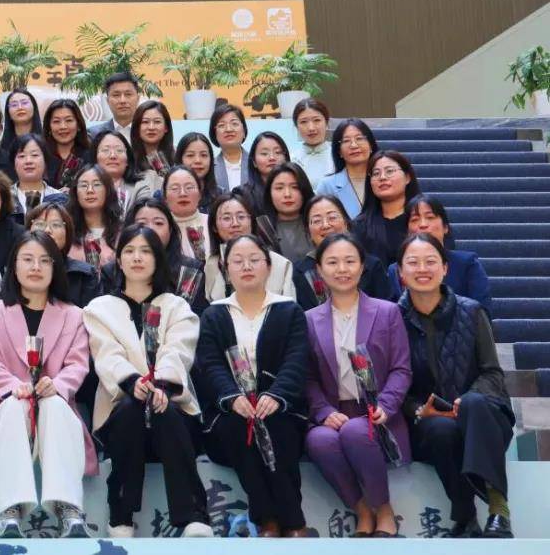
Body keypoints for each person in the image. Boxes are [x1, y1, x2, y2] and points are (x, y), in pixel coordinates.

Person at [83, 225, 213, 538]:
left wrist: (162, 386)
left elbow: (178, 350)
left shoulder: (177, 306)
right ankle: (121, 516)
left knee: (163, 409)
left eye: (145, 251)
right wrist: (132, 383)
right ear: (119, 260)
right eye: (129, 251)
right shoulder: (98, 309)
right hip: (120, 412)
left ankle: (194, 518)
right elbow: (106, 354)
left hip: (173, 412)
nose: (137, 258)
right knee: (131, 407)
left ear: (158, 259)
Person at [0, 232, 96, 538]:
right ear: (13, 266)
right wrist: (12, 385)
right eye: (27, 259)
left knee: (54, 404)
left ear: (56, 268)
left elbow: (78, 364)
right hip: (5, 404)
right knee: (13, 405)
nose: (36, 267)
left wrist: (58, 385)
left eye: (44, 261)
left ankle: (69, 510)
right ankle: (10, 513)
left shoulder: (74, 315)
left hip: (55, 406)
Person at [397, 234, 514, 538]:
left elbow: (492, 373)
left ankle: (499, 511)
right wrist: (418, 409)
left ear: (445, 268)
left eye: (430, 261)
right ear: (400, 272)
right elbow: (393, 382)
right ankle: (465, 517)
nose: (422, 268)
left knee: (474, 404)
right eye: (413, 262)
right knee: (440, 430)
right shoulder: (391, 319)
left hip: (483, 415)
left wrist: (467, 400)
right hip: (429, 422)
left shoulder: (472, 311)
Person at [197, 234, 310, 537]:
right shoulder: (214, 314)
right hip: (231, 412)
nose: (246, 266)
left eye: (254, 259)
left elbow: (296, 360)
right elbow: (210, 364)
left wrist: (277, 395)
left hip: (281, 408)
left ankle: (288, 520)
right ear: (226, 269)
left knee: (277, 426)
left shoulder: (289, 310)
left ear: (268, 266)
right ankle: (270, 519)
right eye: (237, 261)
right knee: (238, 426)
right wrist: (232, 397)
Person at [304, 233, 411, 537]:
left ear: (362, 267)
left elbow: (402, 368)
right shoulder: (309, 319)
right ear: (320, 270)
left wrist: (386, 405)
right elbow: (307, 377)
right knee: (318, 440)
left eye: (350, 261)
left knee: (355, 430)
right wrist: (323, 411)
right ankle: (363, 510)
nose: (342, 269)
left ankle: (384, 509)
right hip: (335, 412)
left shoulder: (387, 311)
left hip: (378, 413)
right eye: (332, 262)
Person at [385, 194, 492, 313]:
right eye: (415, 219)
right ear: (407, 231)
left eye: (430, 217)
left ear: (445, 227)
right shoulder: (395, 270)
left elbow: (481, 313)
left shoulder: (466, 263)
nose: (423, 224)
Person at [203, 193, 303, 303]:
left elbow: (290, 309)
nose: (235, 224)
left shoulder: (280, 264)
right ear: (214, 226)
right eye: (227, 218)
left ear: (252, 222)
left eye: (241, 217)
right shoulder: (211, 265)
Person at [295, 195, 393, 301]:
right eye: (317, 221)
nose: (326, 225)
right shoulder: (298, 272)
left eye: (332, 217)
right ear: (308, 230)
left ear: (346, 223)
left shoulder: (372, 265)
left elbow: (387, 307)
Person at [25, 202, 102, 309]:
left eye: (56, 225)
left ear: (67, 233)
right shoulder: (17, 269)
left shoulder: (84, 275)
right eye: (40, 224)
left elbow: (92, 316)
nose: (47, 230)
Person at [353, 150, 421, 264]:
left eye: (389, 171)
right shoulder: (359, 226)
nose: (382, 177)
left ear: (407, 177)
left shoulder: (424, 218)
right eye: (376, 173)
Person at [316, 118, 380, 218]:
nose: (354, 145)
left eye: (359, 138)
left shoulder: (384, 178)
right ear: (339, 151)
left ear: (371, 145)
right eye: (346, 141)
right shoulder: (327, 186)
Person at [66, 165, 121, 267]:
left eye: (96, 184)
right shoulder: (66, 232)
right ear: (75, 192)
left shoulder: (122, 233)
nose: (90, 190)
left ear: (107, 190)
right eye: (83, 185)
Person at [262, 163, 315, 263]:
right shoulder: (262, 230)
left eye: (295, 187)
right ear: (269, 193)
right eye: (279, 188)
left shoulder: (318, 224)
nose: (287, 194)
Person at [9, 133, 68, 221]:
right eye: (22, 156)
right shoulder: (3, 197)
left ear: (45, 161)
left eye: (35, 155)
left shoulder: (60, 198)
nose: (28, 161)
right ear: (13, 163)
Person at [91, 130, 149, 215]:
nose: (113, 156)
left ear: (128, 160)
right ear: (95, 158)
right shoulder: (86, 188)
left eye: (119, 150)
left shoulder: (140, 187)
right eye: (105, 150)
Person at [162, 166, 211, 262]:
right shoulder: (161, 228)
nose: (182, 193)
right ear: (165, 197)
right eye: (175, 188)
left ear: (200, 193)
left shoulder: (213, 224)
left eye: (189, 187)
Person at [43, 99, 93, 190]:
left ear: (78, 125)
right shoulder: (41, 156)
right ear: (49, 127)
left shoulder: (91, 156)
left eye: (69, 120)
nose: (63, 126)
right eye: (56, 121)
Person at [238, 131, 290, 214]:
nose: (272, 158)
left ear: (286, 158)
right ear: (254, 162)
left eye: (278, 152)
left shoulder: (297, 189)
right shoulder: (243, 194)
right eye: (264, 153)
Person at [130, 100, 176, 194]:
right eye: (145, 122)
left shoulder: (178, 156)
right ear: (137, 127)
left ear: (166, 128)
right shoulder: (127, 158)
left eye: (157, 122)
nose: (151, 127)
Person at [291, 99, 334, 188]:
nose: (311, 128)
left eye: (316, 120)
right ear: (296, 127)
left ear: (327, 123)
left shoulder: (338, 156)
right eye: (303, 122)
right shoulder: (292, 160)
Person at [88, 71, 141, 142]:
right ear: (107, 100)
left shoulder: (149, 131)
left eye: (128, 94)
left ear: (138, 98)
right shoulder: (94, 134)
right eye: (116, 95)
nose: (122, 100)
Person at [176, 131, 220, 213]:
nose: (198, 161)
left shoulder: (220, 196)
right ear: (180, 159)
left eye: (203, 155)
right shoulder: (163, 196)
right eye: (190, 155)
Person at [210, 104, 250, 193]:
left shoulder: (256, 164)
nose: (228, 129)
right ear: (215, 134)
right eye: (221, 125)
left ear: (244, 131)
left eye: (234, 123)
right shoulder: (209, 168)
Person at [0, 89, 42, 163]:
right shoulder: (1, 146)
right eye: (14, 105)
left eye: (24, 103)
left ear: (34, 106)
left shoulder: (47, 141)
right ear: (8, 112)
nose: (20, 108)